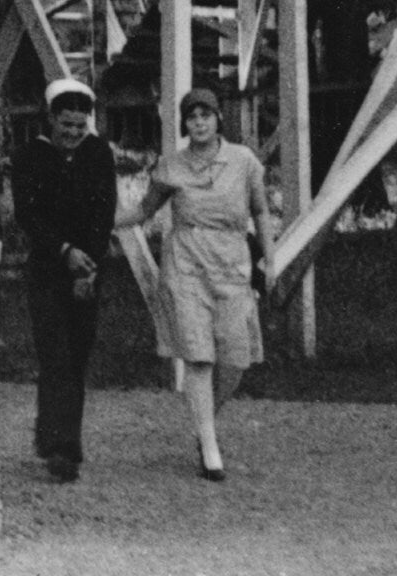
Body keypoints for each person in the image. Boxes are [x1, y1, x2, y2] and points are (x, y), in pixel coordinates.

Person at [116, 87, 275, 482]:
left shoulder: (243, 161)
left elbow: (260, 210)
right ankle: (209, 445)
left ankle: (206, 422)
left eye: (206, 115)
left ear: (219, 118)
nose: (199, 123)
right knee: (198, 356)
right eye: (192, 117)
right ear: (184, 124)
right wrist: (96, 218)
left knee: (235, 359)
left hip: (232, 265)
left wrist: (269, 258)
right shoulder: (172, 165)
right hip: (186, 267)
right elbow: (144, 210)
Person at [12, 78, 117, 483]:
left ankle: (54, 435)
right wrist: (64, 251)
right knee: (54, 353)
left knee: (76, 354)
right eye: (66, 124)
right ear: (51, 118)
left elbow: (104, 210)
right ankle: (62, 448)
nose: (73, 133)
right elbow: (28, 215)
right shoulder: (29, 157)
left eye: (80, 125)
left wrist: (88, 264)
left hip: (88, 267)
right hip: (47, 268)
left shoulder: (98, 154)